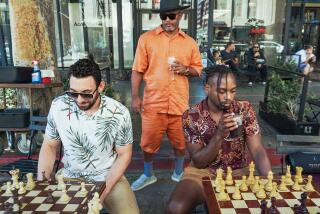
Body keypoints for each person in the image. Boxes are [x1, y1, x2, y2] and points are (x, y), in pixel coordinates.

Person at [37, 57, 139, 213]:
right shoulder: (59, 106)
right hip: (70, 176)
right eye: (73, 93)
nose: (79, 100)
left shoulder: (118, 113)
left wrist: (101, 194)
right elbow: (50, 146)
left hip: (108, 176)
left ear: (101, 87)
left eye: (86, 94)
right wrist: (42, 182)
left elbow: (124, 155)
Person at [166, 65, 271, 213]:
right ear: (207, 89)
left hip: (238, 171)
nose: (229, 97)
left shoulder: (244, 109)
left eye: (232, 91)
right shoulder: (191, 116)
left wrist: (269, 180)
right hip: (203, 172)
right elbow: (199, 161)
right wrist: (219, 134)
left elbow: (257, 150)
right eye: (222, 91)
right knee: (175, 209)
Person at [130, 0, 203, 191]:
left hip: (179, 105)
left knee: (180, 144)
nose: (168, 20)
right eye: (164, 16)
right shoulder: (146, 39)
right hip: (153, 103)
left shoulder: (190, 43)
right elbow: (137, 70)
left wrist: (186, 69)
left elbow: (198, 70)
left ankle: (178, 172)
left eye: (172, 16)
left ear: (180, 15)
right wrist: (135, 97)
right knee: (147, 145)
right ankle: (148, 174)